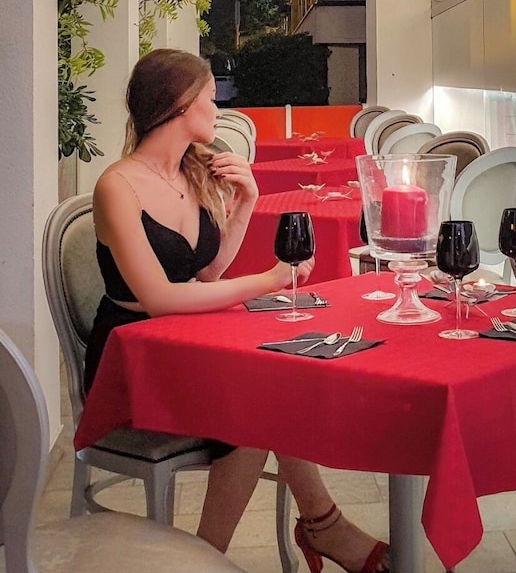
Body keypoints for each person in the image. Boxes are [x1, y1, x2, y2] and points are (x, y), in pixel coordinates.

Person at [86, 48, 388, 573]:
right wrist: (268, 280)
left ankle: (286, 536)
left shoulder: (190, 172)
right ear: (181, 104)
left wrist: (246, 201)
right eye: (210, 97)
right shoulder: (117, 185)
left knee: (274, 384)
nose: (218, 108)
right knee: (257, 402)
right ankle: (250, 547)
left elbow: (205, 273)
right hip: (133, 358)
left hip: (188, 342)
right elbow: (159, 297)